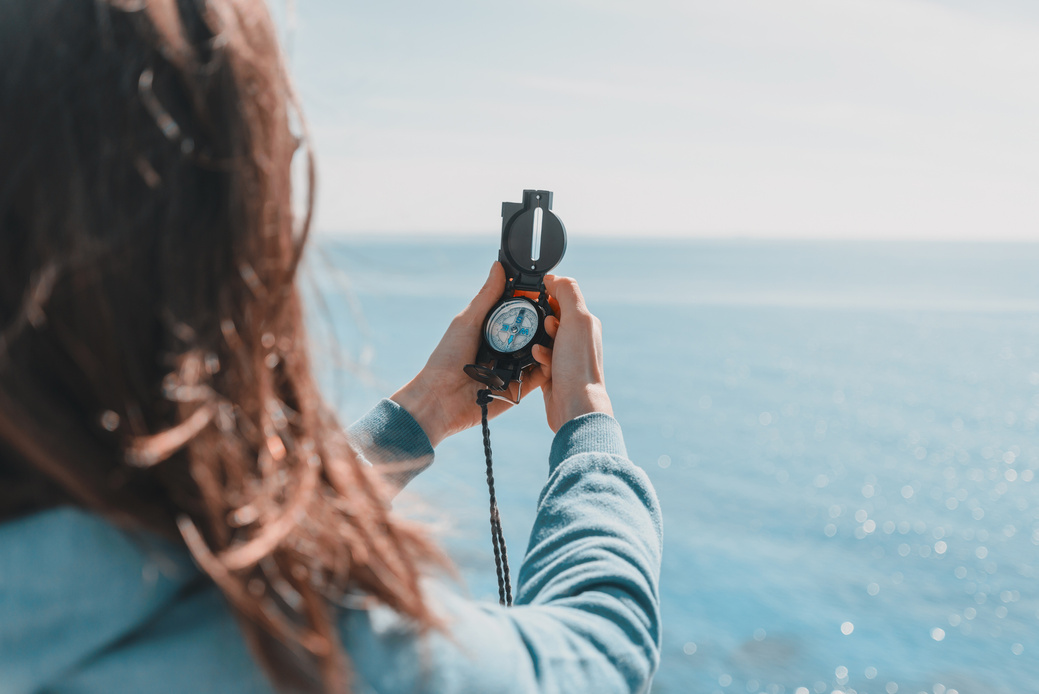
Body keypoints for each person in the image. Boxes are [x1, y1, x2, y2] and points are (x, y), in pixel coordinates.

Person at [0, 1, 662, 692]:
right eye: (276, 160)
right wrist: (588, 426)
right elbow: (599, 651)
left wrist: (426, 407)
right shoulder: (313, 654)